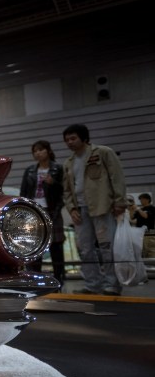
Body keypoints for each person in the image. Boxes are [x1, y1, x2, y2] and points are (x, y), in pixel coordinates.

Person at [61, 123, 128, 295]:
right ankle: (92, 284)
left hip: (102, 206)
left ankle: (112, 284)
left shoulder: (103, 152)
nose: (69, 142)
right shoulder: (68, 163)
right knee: (85, 249)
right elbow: (67, 190)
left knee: (107, 246)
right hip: (80, 210)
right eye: (67, 140)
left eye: (73, 138)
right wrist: (71, 209)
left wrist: (119, 202)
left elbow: (117, 177)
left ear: (84, 138)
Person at [19, 140, 65, 286]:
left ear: (48, 151)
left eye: (41, 150)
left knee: (56, 246)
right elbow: (24, 192)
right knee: (35, 245)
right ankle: (35, 279)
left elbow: (65, 190)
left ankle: (59, 279)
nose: (38, 153)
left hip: (52, 211)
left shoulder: (58, 168)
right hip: (34, 211)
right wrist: (24, 211)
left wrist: (53, 183)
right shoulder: (30, 170)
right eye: (35, 151)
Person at [130, 192, 155, 258]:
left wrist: (138, 209)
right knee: (142, 252)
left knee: (150, 252)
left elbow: (146, 216)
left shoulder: (152, 208)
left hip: (148, 234)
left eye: (142, 199)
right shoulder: (140, 209)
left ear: (147, 199)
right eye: (140, 199)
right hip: (139, 234)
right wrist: (131, 210)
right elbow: (131, 218)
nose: (140, 201)